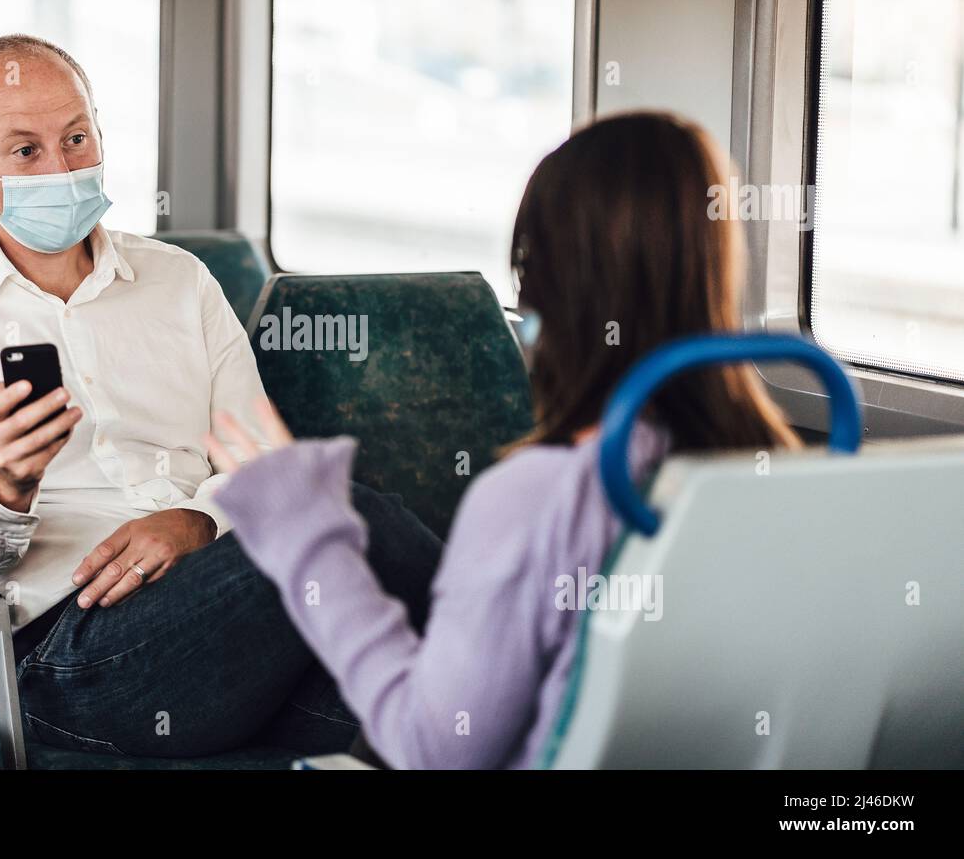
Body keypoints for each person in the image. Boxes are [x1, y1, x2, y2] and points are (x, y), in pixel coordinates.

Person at [0, 34, 442, 758]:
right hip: (73, 655)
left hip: (232, 632)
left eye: (77, 138)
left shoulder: (180, 281)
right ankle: (555, 653)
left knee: (421, 688)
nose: (62, 167)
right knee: (349, 512)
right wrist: (4, 483)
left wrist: (198, 520)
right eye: (26, 151)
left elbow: (267, 468)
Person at [204, 112, 801, 769]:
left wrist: (307, 536)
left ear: (542, 281)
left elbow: (432, 747)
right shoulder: (785, 478)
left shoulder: (542, 498)